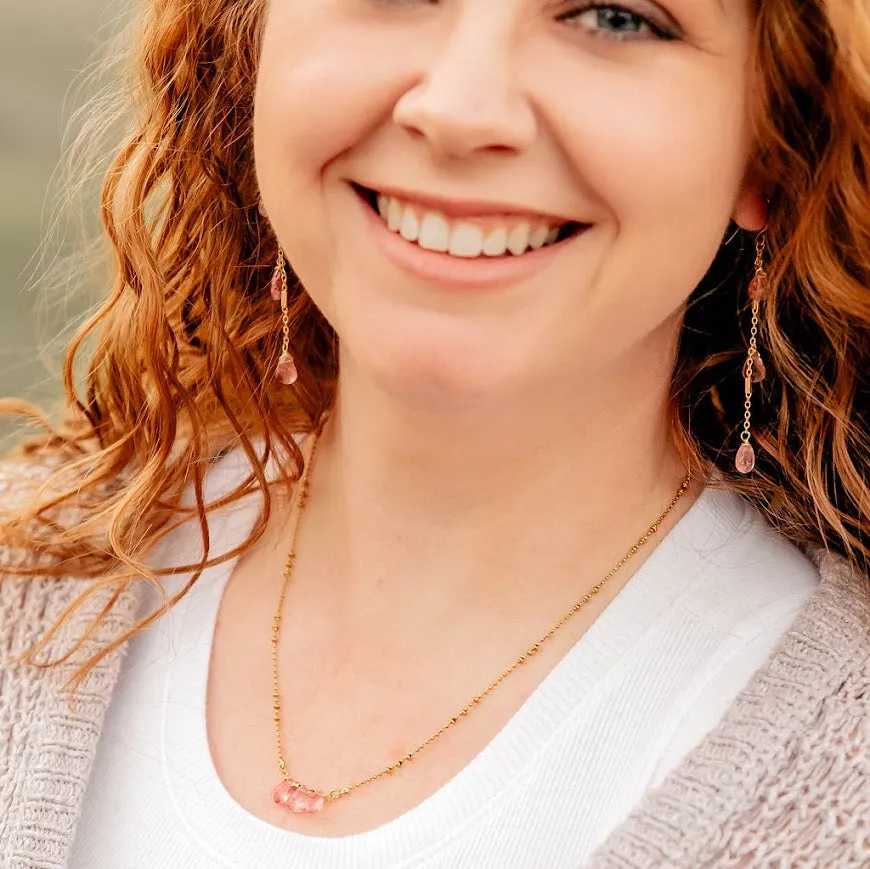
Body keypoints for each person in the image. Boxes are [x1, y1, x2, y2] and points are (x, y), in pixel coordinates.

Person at [1, 0, 868, 866]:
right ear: (251, 52)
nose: (459, 109)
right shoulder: (22, 572)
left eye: (615, 17)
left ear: (772, 138)